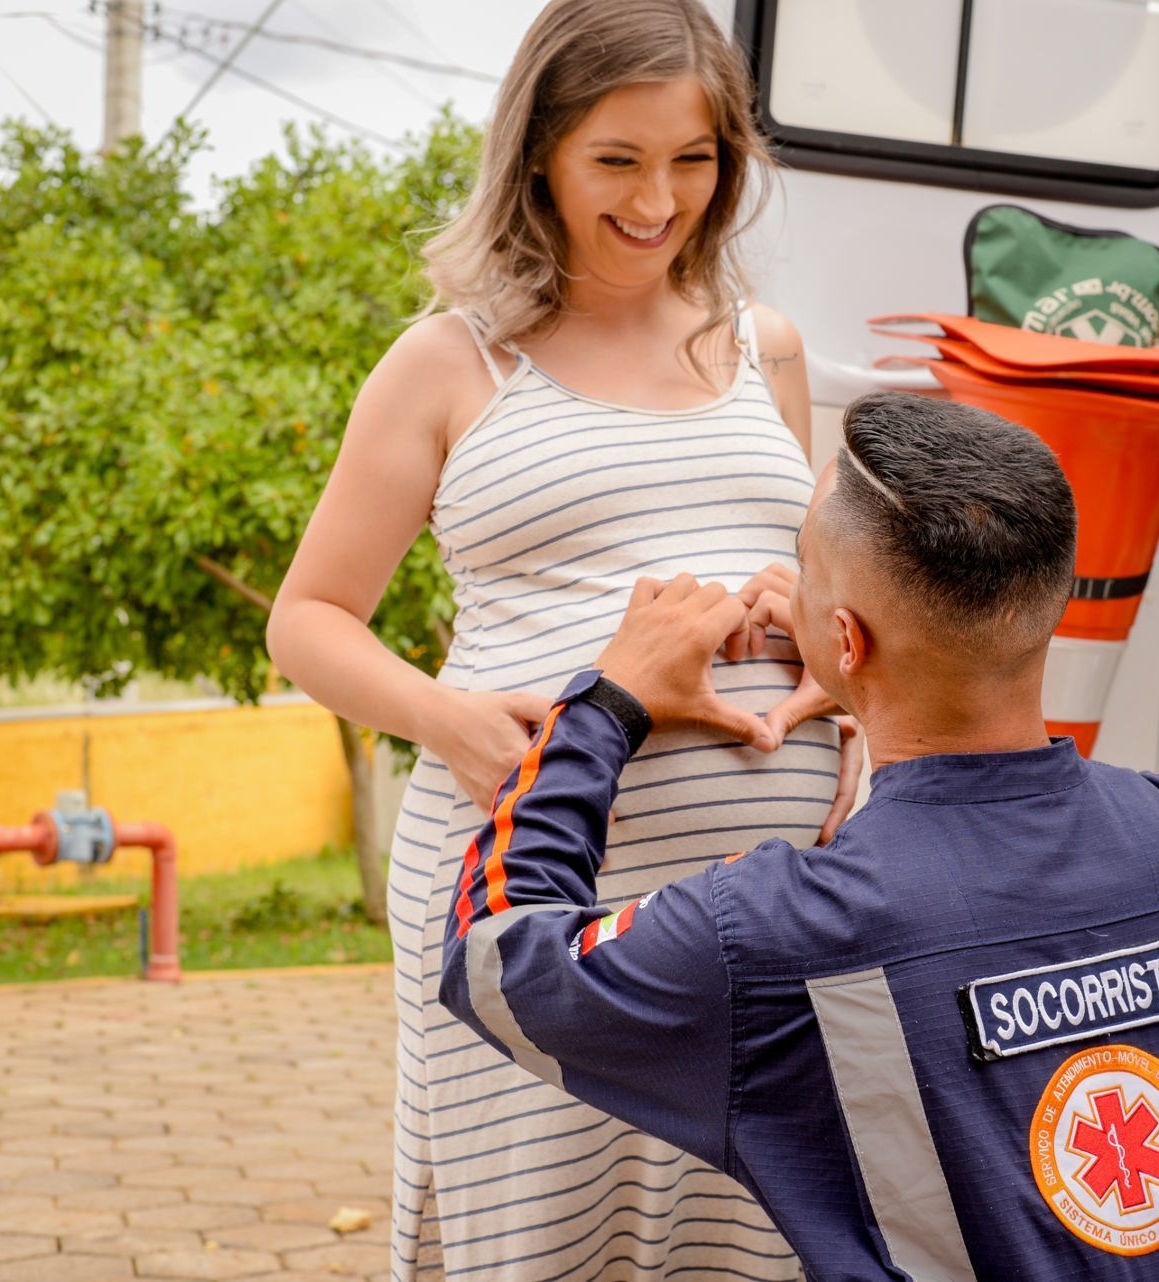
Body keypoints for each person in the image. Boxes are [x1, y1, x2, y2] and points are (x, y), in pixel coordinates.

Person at [438, 391, 1159, 1281]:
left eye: (801, 564)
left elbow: (495, 960)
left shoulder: (780, 930)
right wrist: (863, 670)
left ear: (845, 636)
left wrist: (606, 702)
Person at [265, 2, 858, 1276]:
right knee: (543, 1238)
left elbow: (816, 587)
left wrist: (817, 637)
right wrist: (450, 721)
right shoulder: (451, 363)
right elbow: (306, 621)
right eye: (618, 160)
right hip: (533, 883)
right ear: (539, 151)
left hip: (757, 905)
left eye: (693, 160)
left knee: (749, 1236)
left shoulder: (767, 348)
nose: (658, 201)